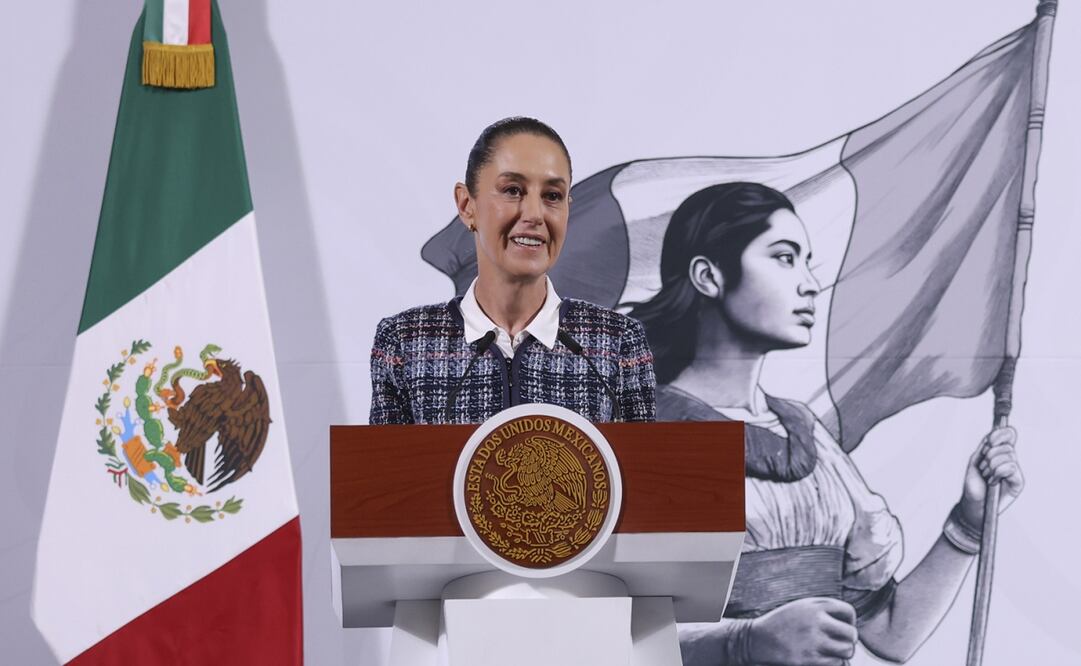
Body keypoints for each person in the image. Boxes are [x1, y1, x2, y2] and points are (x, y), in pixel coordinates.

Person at [627, 182, 1023, 665]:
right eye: (784, 257)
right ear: (708, 276)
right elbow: (616, 644)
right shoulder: (655, 433)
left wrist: (970, 522)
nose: (810, 283)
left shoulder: (805, 433)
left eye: (806, 260)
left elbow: (892, 634)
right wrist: (743, 643)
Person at [369, 117, 656, 425]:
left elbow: (644, 471)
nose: (534, 214)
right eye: (513, 190)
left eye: (552, 196)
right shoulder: (406, 341)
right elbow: (386, 470)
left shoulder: (616, 342)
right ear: (467, 205)